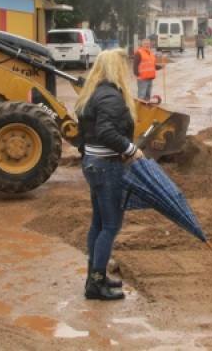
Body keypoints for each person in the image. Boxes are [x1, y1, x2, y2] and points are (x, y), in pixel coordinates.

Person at [76, 49, 144, 301]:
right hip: (106, 167)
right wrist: (131, 150)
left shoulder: (91, 94)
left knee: (98, 223)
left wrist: (87, 153)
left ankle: (95, 277)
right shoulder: (111, 97)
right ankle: (95, 285)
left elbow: (82, 132)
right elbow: (105, 130)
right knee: (111, 225)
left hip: (93, 165)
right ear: (117, 68)